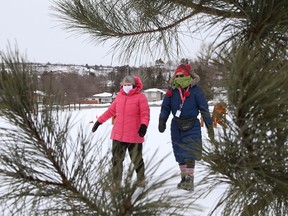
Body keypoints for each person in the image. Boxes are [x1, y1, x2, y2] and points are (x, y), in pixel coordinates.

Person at [158, 63, 214, 191]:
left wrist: (209, 125)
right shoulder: (171, 90)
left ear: (188, 75)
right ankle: (183, 178)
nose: (178, 77)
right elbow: (165, 107)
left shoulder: (196, 90)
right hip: (176, 125)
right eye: (176, 75)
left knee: (190, 152)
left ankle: (190, 179)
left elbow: (204, 109)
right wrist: (162, 119)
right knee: (179, 153)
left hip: (192, 124)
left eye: (181, 75)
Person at [92, 75, 150, 188]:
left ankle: (141, 179)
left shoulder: (140, 97)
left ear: (134, 85)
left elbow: (145, 114)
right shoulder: (119, 97)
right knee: (116, 160)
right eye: (125, 85)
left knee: (137, 159)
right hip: (118, 134)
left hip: (134, 134)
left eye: (129, 85)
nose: (126, 87)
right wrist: (99, 122)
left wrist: (144, 125)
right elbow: (110, 111)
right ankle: (116, 183)